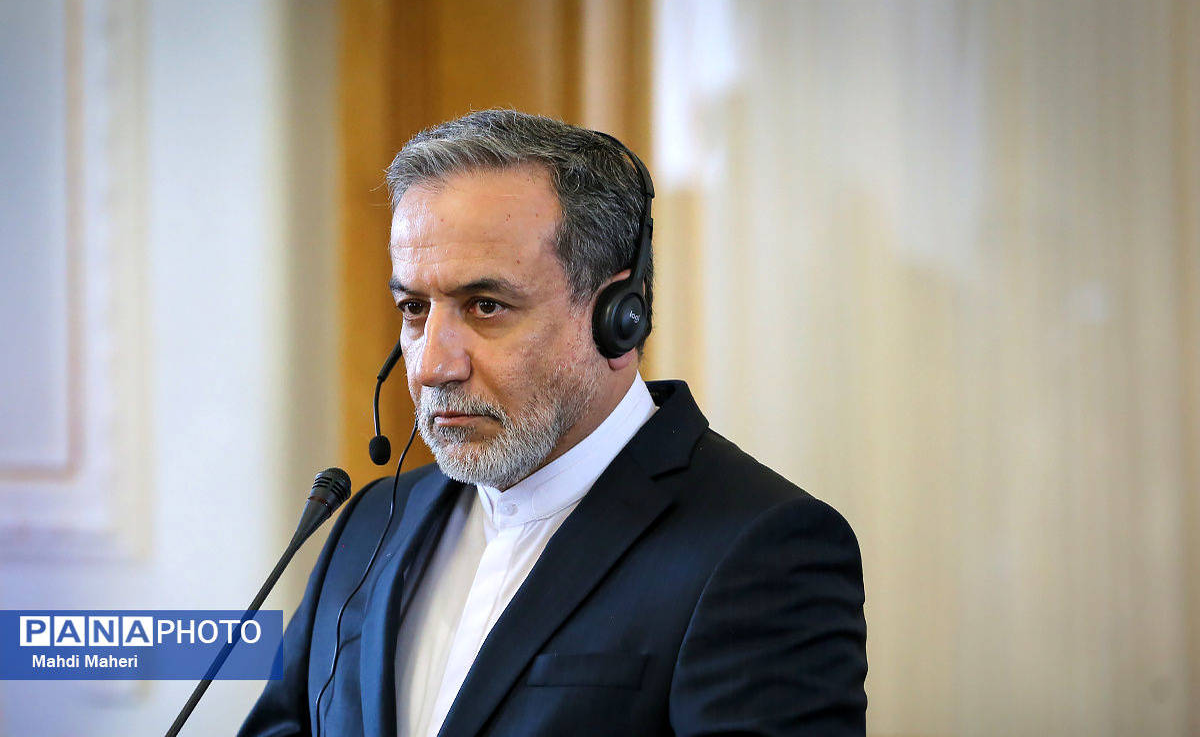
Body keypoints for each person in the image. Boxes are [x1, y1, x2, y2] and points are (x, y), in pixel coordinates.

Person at [239, 110, 867, 737]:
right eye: (414, 309)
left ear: (618, 316)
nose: (431, 365)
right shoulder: (370, 521)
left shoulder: (761, 547)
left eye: (486, 307)